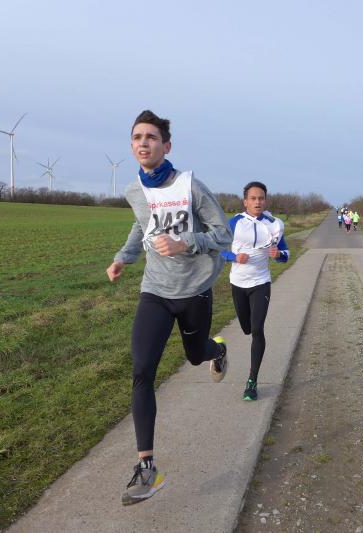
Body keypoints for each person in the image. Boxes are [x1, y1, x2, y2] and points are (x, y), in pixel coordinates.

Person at [106, 110, 233, 505]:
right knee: (142, 370)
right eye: (137, 137)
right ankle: (147, 468)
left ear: (166, 145)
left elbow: (223, 235)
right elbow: (140, 224)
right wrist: (124, 258)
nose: (143, 143)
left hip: (194, 290)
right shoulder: (134, 191)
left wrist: (186, 242)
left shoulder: (190, 186)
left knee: (195, 355)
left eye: (151, 137)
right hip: (155, 291)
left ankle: (217, 350)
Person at [221, 181, 289, 401]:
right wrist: (233, 257)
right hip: (238, 283)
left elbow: (285, 253)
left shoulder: (274, 225)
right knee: (247, 328)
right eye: (253, 198)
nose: (257, 202)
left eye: (261, 198)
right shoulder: (235, 223)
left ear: (265, 201)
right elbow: (218, 250)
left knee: (257, 330)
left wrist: (278, 255)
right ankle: (220, 351)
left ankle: (252, 381)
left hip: (261, 283)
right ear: (245, 202)